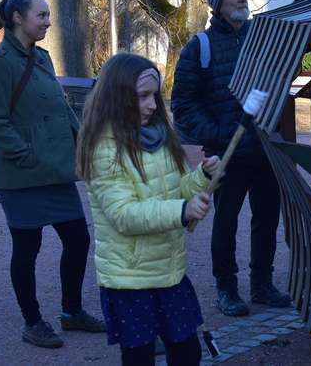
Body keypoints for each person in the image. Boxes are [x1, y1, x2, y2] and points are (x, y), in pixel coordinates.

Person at [76, 53, 221, 366]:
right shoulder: (104, 148)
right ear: (118, 97)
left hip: (169, 271)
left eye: (154, 95)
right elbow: (124, 215)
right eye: (142, 96)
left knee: (188, 352)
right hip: (130, 279)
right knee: (140, 357)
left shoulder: (161, 137)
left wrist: (203, 177)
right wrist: (182, 211)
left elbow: (178, 188)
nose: (153, 105)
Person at [0, 0, 105, 349]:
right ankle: (33, 322)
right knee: (27, 247)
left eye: (48, 15)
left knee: (78, 239)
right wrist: (25, 155)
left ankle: (71, 312)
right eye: (41, 15)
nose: (48, 22)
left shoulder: (42, 57)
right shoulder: (1, 61)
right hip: (21, 175)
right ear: (18, 18)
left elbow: (61, 109)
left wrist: (83, 142)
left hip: (55, 170)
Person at [171, 0, 291, 317]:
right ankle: (226, 288)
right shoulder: (200, 47)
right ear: (217, 4)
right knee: (225, 221)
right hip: (227, 153)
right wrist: (217, 133)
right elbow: (183, 104)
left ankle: (262, 284)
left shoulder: (262, 40)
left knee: (267, 219)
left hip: (266, 149)